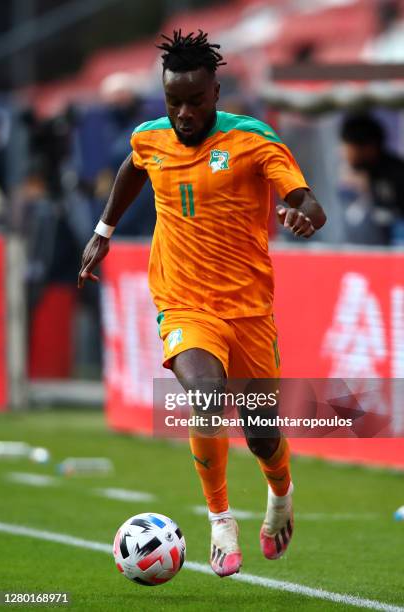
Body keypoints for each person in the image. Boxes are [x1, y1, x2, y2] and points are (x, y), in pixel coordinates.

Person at [78, 30, 326, 578]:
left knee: (261, 433)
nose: (184, 114)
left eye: (194, 101)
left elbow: (305, 198)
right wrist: (103, 229)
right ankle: (219, 517)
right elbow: (133, 167)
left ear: (216, 91)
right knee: (206, 399)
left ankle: (280, 493)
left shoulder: (254, 140)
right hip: (182, 300)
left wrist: (302, 212)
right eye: (173, 103)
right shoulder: (151, 137)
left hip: (249, 308)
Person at [340, 113, 404, 245]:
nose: (344, 153)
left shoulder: (396, 175)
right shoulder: (362, 176)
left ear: (369, 148)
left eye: (348, 147)